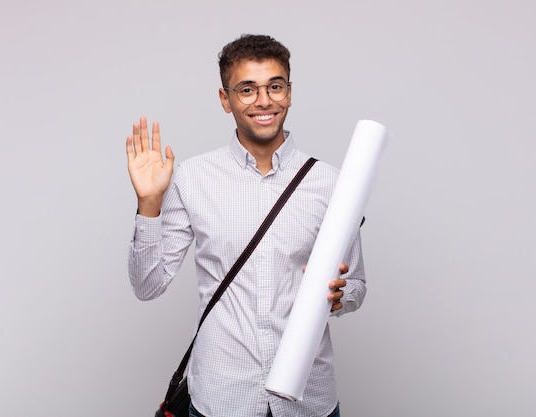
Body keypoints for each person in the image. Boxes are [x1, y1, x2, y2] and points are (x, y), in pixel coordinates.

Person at [126, 34, 366, 417]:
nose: (264, 101)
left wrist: (340, 295)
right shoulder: (193, 178)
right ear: (226, 99)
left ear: (289, 91)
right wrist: (149, 204)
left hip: (308, 399)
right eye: (247, 89)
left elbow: (356, 285)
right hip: (223, 397)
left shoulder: (331, 183)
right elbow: (148, 285)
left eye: (275, 86)